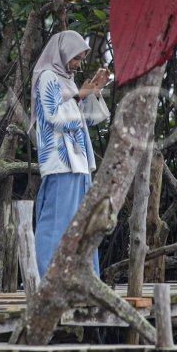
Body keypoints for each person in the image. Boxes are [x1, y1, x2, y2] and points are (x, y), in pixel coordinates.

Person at [31, 30, 110, 277]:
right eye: (75, 58)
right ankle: (48, 280)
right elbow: (54, 116)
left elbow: (86, 119)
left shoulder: (67, 79)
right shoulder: (47, 77)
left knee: (82, 224)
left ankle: (84, 280)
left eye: (80, 59)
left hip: (79, 162)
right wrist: (79, 95)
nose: (78, 64)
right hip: (59, 161)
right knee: (55, 224)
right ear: (62, 52)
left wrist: (95, 90)